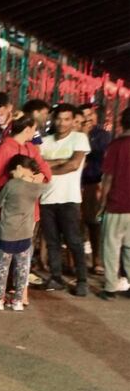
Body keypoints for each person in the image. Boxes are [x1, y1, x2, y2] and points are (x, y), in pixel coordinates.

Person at [39, 103, 91, 295]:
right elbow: (37, 165)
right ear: (53, 119)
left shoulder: (79, 138)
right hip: (46, 198)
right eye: (59, 118)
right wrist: (61, 162)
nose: (62, 123)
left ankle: (82, 280)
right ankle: (56, 277)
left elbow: (74, 165)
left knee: (73, 241)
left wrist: (48, 168)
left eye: (67, 119)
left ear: (72, 120)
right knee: (52, 241)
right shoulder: (45, 141)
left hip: (69, 199)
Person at [0, 156, 48, 311]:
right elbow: (47, 186)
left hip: (7, 232)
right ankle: (17, 301)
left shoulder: (10, 185)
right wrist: (34, 179)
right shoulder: (34, 188)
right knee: (22, 269)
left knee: (2, 268)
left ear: (17, 169)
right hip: (25, 233)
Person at [98, 108, 130, 300]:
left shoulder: (116, 146)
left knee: (111, 246)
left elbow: (108, 177)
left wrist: (102, 202)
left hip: (117, 202)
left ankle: (110, 287)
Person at [79, 102, 111, 274]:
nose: (88, 119)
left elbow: (98, 154)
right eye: (84, 116)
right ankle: (77, 263)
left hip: (92, 181)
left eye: (90, 115)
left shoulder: (102, 135)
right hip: (76, 183)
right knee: (77, 224)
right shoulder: (74, 134)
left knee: (93, 222)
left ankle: (97, 260)